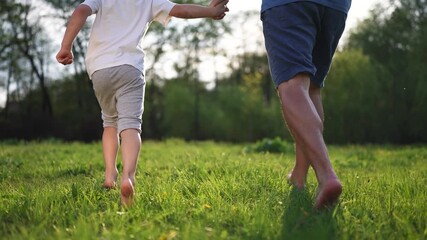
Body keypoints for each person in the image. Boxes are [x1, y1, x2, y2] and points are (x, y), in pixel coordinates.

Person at [56, 0, 229, 207]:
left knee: (110, 122)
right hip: (130, 68)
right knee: (130, 125)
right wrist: (210, 12)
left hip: (100, 68)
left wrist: (66, 46)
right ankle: (128, 177)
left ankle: (110, 173)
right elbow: (182, 10)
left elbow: (80, 11)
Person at [260, 0, 351, 209]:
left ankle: (327, 176)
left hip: (289, 4)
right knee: (311, 89)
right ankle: (299, 176)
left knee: (292, 84)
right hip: (336, 7)